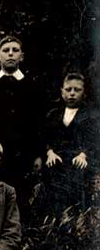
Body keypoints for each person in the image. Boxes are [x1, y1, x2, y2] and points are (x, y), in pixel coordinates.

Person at [0, 35, 46, 207]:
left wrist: (38, 154)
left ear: (21, 56)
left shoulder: (33, 87)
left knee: (21, 198)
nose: (10, 54)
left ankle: (18, 233)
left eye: (15, 50)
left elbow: (39, 123)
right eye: (6, 51)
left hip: (24, 154)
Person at [42, 73, 98, 216]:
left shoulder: (91, 115)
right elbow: (45, 137)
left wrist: (84, 154)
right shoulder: (53, 114)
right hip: (56, 158)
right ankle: (54, 219)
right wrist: (49, 152)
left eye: (77, 90)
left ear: (84, 93)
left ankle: (77, 218)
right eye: (68, 90)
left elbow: (93, 139)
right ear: (62, 92)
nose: (72, 93)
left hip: (79, 159)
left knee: (77, 181)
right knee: (52, 183)